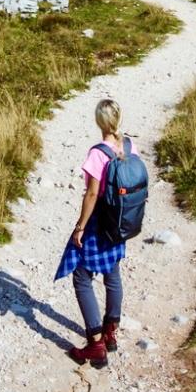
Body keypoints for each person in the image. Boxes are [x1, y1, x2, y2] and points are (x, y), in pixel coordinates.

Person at [57, 98, 131, 367]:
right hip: (120, 221)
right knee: (112, 271)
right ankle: (111, 332)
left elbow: (91, 194)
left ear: (99, 121)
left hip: (99, 221)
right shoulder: (129, 145)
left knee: (81, 275)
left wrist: (80, 227)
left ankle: (96, 343)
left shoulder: (98, 153)